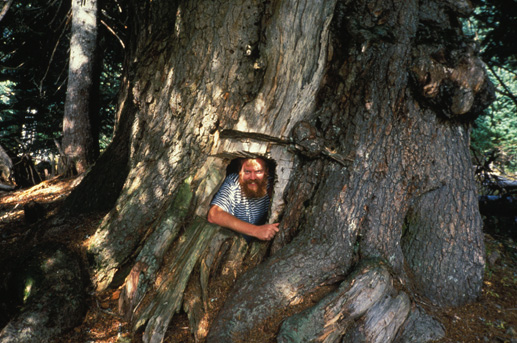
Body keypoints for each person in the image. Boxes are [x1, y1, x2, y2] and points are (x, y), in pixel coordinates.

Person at [207, 157, 280, 242]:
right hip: (228, 243)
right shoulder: (233, 182)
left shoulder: (274, 183)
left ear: (266, 171)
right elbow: (214, 215)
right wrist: (256, 231)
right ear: (240, 172)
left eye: (258, 171)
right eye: (247, 171)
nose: (253, 178)